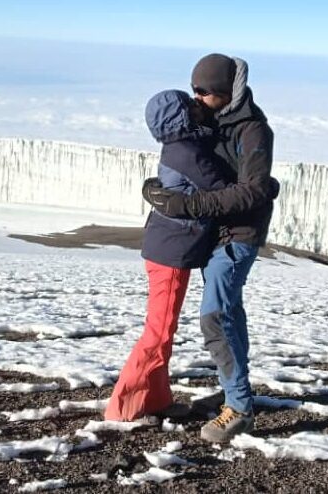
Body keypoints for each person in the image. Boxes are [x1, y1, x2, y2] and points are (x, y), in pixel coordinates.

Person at [143, 54, 278, 443]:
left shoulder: (253, 130)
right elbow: (187, 161)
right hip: (216, 233)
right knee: (230, 312)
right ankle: (235, 391)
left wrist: (189, 206)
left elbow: (253, 191)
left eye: (205, 92)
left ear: (227, 93)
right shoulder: (214, 118)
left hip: (239, 234)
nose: (197, 98)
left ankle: (240, 409)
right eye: (194, 90)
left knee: (215, 316)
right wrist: (154, 190)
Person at [105, 89, 226, 422]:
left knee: (163, 330)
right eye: (189, 105)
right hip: (172, 252)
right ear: (180, 118)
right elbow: (221, 188)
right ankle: (122, 408)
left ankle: (156, 399)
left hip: (167, 248)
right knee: (158, 332)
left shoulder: (180, 146)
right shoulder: (187, 152)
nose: (197, 106)